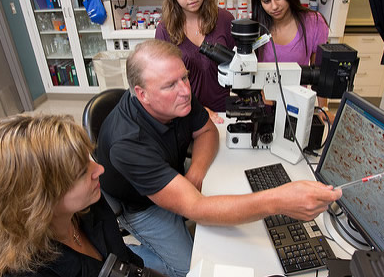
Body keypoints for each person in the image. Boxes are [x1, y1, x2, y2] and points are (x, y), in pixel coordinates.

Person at [96, 39, 342, 277]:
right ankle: (123, 255)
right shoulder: (127, 142)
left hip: (171, 174)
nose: (185, 90)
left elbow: (206, 130)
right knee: (188, 269)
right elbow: (197, 208)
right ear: (142, 94)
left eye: (184, 77)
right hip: (141, 205)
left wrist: (196, 171)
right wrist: (278, 201)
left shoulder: (176, 97)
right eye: (170, 85)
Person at [0, 114, 144, 277]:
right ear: (38, 198)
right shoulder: (26, 271)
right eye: (81, 172)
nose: (99, 169)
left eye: (88, 158)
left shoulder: (89, 202)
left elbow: (126, 259)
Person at [155, 0, 235, 123]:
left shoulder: (225, 19)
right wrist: (201, 110)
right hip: (185, 113)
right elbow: (164, 83)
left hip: (223, 113)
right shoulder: (165, 30)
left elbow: (238, 67)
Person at [251, 0, 332, 113]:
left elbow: (320, 74)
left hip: (297, 105)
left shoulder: (314, 22)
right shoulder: (255, 28)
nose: (274, 6)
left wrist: (323, 109)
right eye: (266, 1)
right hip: (264, 106)